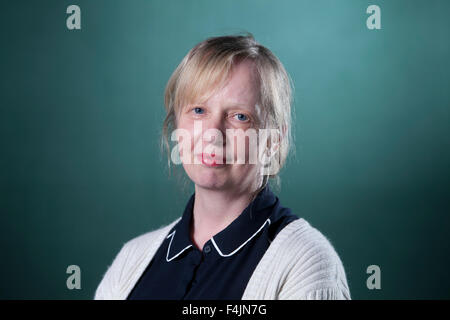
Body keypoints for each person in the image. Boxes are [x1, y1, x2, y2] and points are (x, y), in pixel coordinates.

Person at [94, 33, 351, 300]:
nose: (213, 134)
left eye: (240, 117)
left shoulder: (306, 264)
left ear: (273, 140)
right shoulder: (131, 260)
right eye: (198, 111)